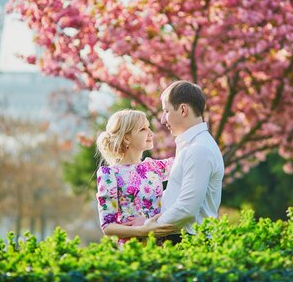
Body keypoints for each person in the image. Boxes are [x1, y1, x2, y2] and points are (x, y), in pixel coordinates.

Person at [156, 80, 225, 244]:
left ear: (183, 110)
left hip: (189, 241)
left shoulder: (199, 149)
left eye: (166, 111)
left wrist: (148, 226)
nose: (162, 120)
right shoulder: (191, 145)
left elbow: (187, 208)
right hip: (182, 238)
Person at [95, 109, 177, 245]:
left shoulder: (154, 167)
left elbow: (186, 161)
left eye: (148, 127)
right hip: (132, 250)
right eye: (143, 129)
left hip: (164, 247)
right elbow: (108, 227)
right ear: (126, 138)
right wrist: (144, 230)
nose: (151, 133)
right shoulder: (109, 174)